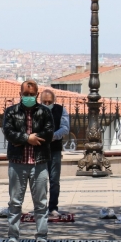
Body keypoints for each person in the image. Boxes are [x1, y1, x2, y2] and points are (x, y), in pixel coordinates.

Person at [0, 81, 54, 242]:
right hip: (18, 162)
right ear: (20, 93)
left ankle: (41, 239)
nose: (28, 97)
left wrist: (24, 139)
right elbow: (8, 132)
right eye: (25, 94)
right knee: (15, 203)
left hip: (39, 163)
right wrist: (27, 138)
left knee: (41, 203)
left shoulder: (45, 112)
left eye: (32, 94)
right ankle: (13, 238)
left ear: (37, 94)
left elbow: (48, 133)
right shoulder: (12, 111)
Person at [40, 89, 69, 218]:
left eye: (49, 102)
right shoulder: (37, 110)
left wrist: (54, 136)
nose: (47, 104)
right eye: (44, 102)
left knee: (54, 180)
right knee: (40, 180)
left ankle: (53, 207)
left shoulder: (60, 110)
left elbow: (65, 128)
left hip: (55, 149)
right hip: (39, 149)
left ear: (54, 101)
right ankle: (41, 207)